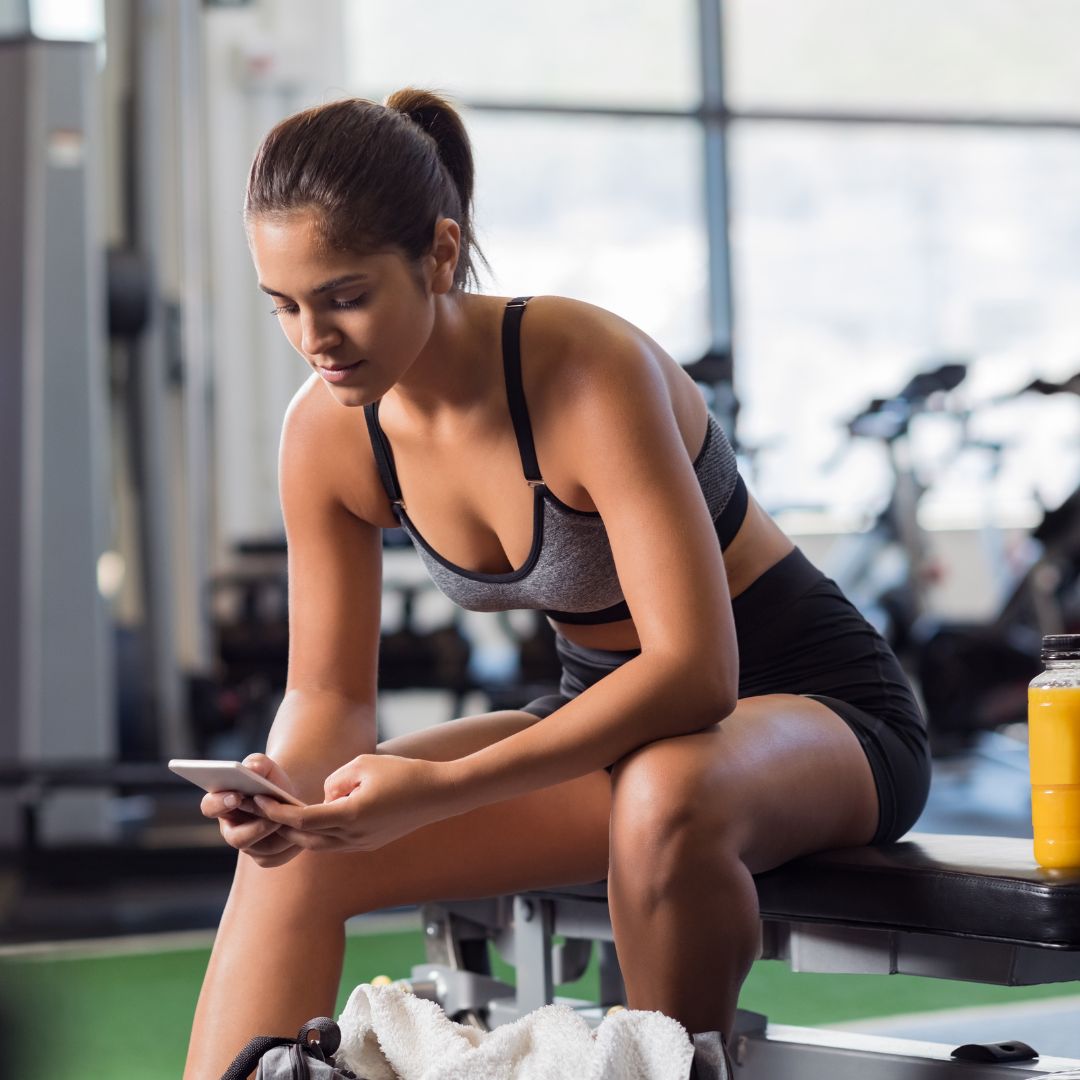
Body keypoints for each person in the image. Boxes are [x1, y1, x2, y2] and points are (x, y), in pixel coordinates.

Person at [184, 87, 931, 1079]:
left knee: (668, 791)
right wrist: (285, 796)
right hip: (608, 726)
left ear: (440, 256)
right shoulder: (326, 431)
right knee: (295, 859)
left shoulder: (586, 369)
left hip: (816, 709)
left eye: (347, 295)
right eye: (285, 305)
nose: (316, 338)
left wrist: (439, 786)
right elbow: (329, 695)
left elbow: (697, 675)